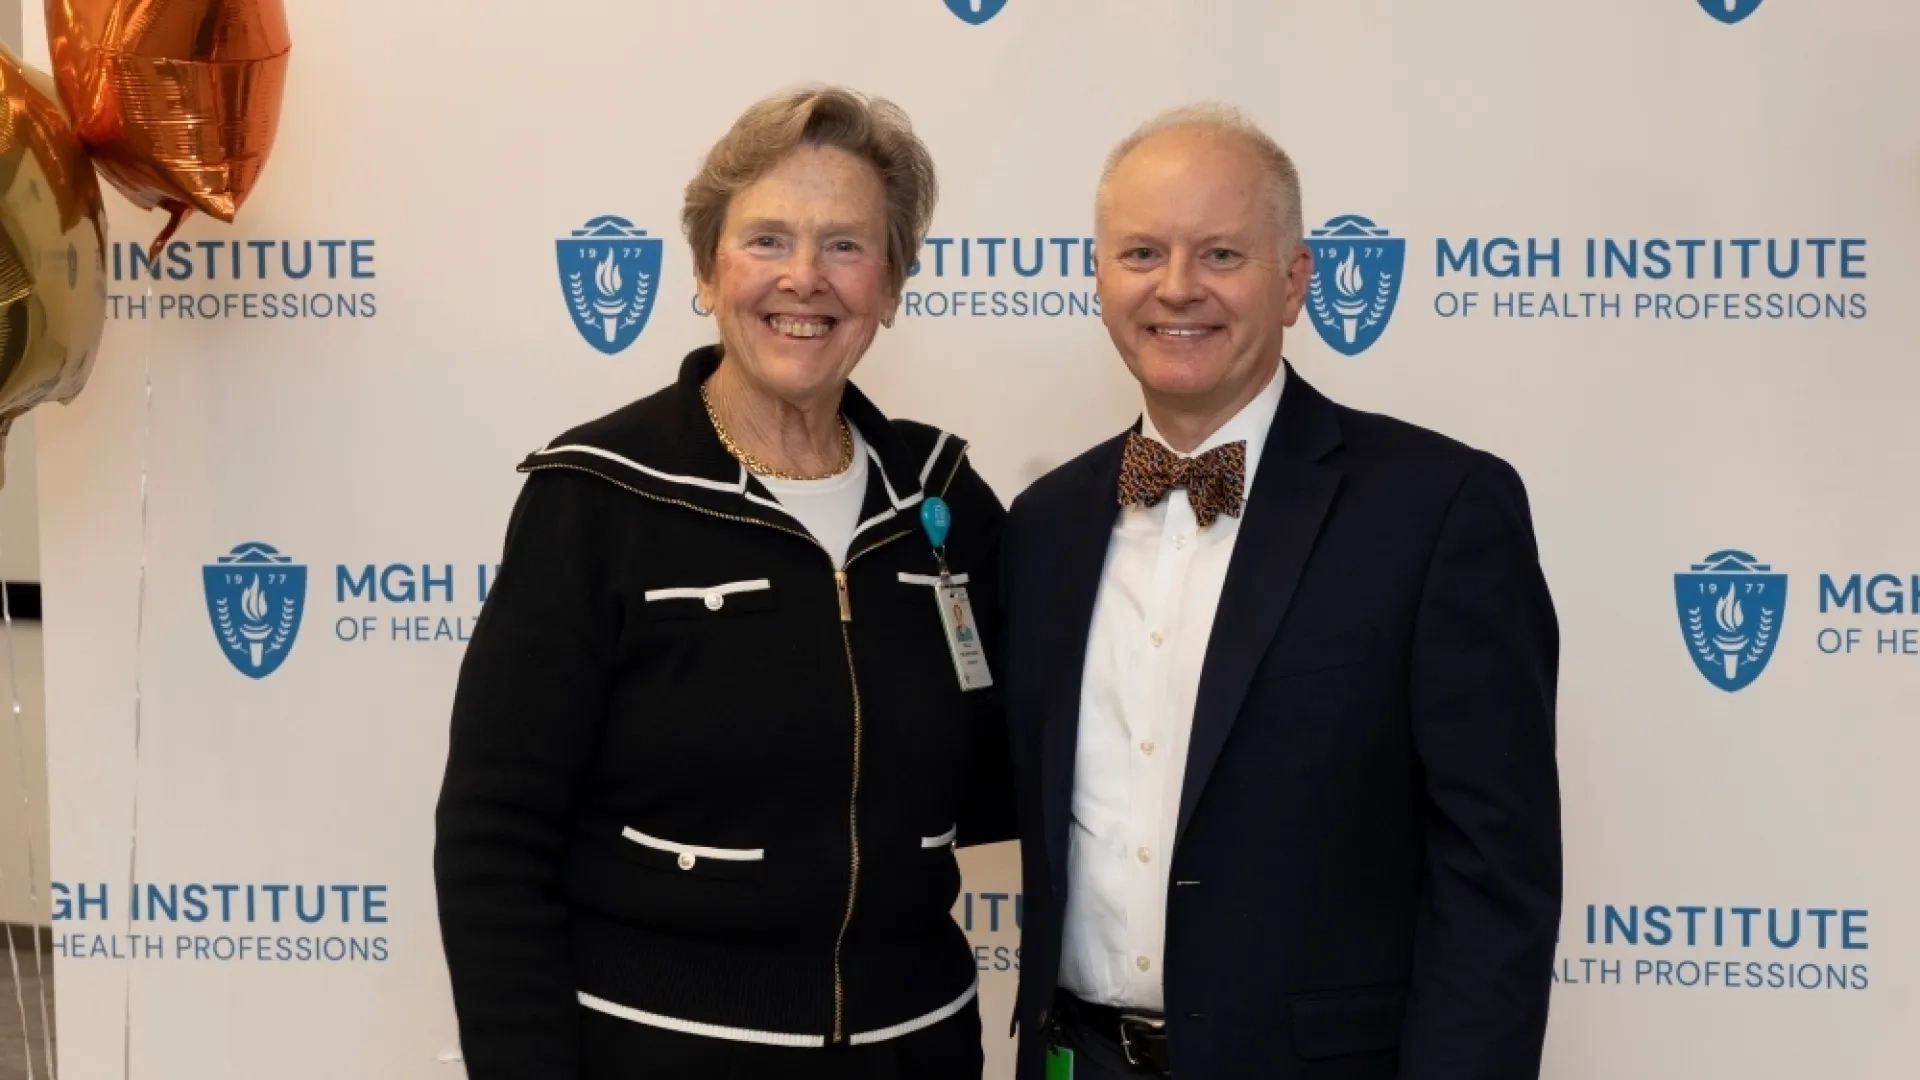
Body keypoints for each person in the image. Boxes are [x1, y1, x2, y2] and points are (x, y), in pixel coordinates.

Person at [434, 85, 1013, 1080]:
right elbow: (495, 837)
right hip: (659, 1053)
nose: (805, 278)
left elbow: (1025, 777)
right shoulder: (596, 498)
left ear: (892, 280)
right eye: (767, 240)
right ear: (706, 271)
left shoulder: (947, 500)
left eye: (845, 244)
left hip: (918, 1049)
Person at [998, 104, 1562, 1079]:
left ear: (1295, 280)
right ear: (1098, 279)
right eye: (1140, 253)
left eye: (1221, 255)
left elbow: (1494, 878)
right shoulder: (1043, 523)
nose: (1177, 288)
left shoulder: (1439, 510)